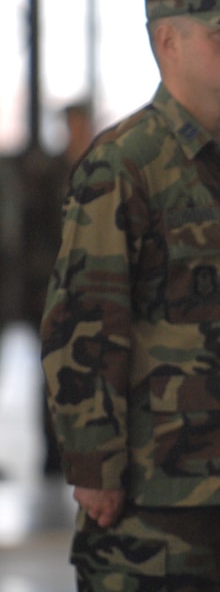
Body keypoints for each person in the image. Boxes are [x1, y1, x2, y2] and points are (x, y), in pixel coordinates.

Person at [39, 0, 220, 591]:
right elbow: (83, 324)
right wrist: (94, 468)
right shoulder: (124, 164)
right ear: (168, 41)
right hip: (159, 503)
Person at [17, 99, 96, 475]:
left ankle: (88, 451)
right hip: (52, 288)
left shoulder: (100, 167)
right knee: (53, 374)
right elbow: (33, 235)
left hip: (93, 289)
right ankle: (53, 453)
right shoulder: (48, 175)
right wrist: (39, 288)